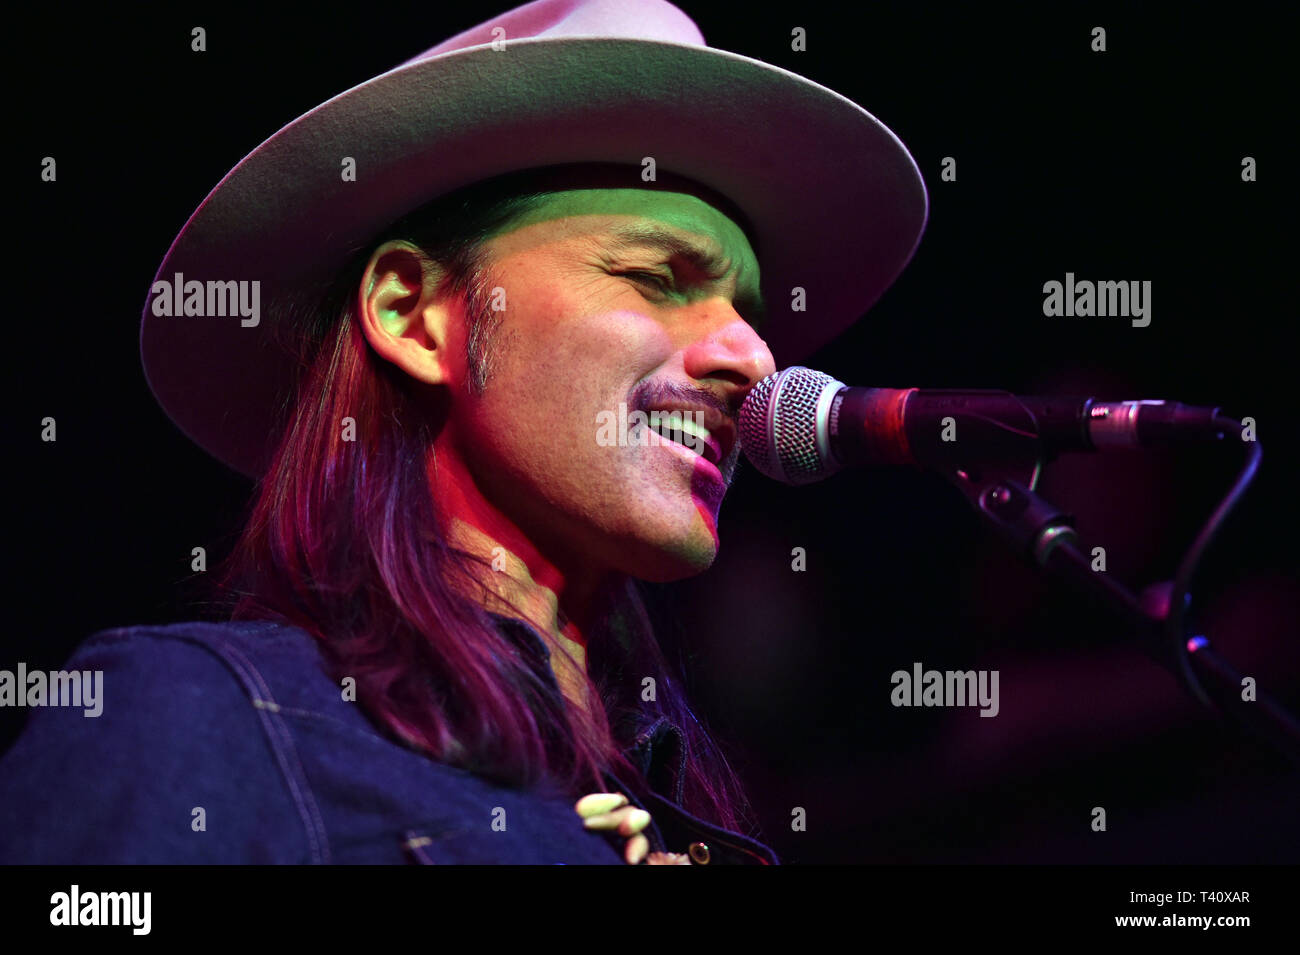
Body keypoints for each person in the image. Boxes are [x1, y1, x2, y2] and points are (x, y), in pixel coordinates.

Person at [0, 0, 926, 864]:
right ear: (413, 315)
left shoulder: (680, 809)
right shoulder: (195, 715)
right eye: (656, 277)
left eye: (749, 314)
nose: (757, 360)